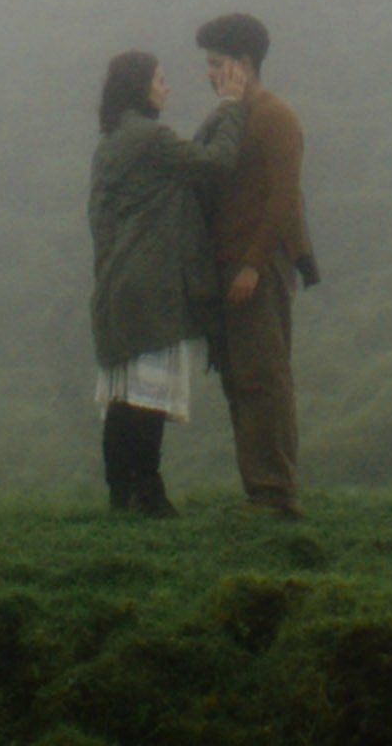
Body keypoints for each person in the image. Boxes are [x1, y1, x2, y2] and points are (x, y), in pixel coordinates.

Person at [86, 49, 244, 515]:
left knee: (124, 394)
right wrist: (232, 105)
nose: (167, 86)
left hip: (117, 279)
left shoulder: (112, 140)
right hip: (152, 281)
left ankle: (121, 493)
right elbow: (215, 161)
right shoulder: (149, 137)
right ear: (141, 86)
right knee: (147, 397)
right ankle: (148, 492)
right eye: (159, 79)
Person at [195, 11, 314, 517]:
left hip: (256, 268)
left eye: (217, 63)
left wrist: (252, 263)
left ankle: (276, 493)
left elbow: (284, 199)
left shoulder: (274, 116)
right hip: (226, 265)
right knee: (239, 381)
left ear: (244, 63)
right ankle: (258, 491)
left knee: (265, 378)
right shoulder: (229, 117)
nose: (209, 72)